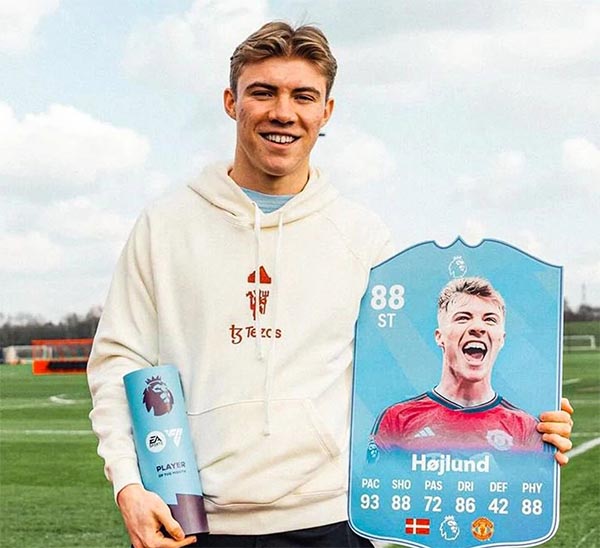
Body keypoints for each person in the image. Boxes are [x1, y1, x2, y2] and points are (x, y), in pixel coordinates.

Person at [87, 22, 574, 548]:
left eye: (303, 96)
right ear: (231, 102)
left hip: (331, 521)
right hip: (193, 523)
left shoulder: (363, 236)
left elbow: (410, 378)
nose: (283, 112)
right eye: (263, 92)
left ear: (326, 111)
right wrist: (128, 484)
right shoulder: (165, 226)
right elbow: (119, 361)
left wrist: (533, 424)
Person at [370, 277, 558, 458]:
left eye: (490, 319)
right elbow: (374, 479)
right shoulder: (398, 419)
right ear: (439, 337)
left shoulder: (525, 427)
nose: (478, 327)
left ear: (501, 339)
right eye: (463, 318)